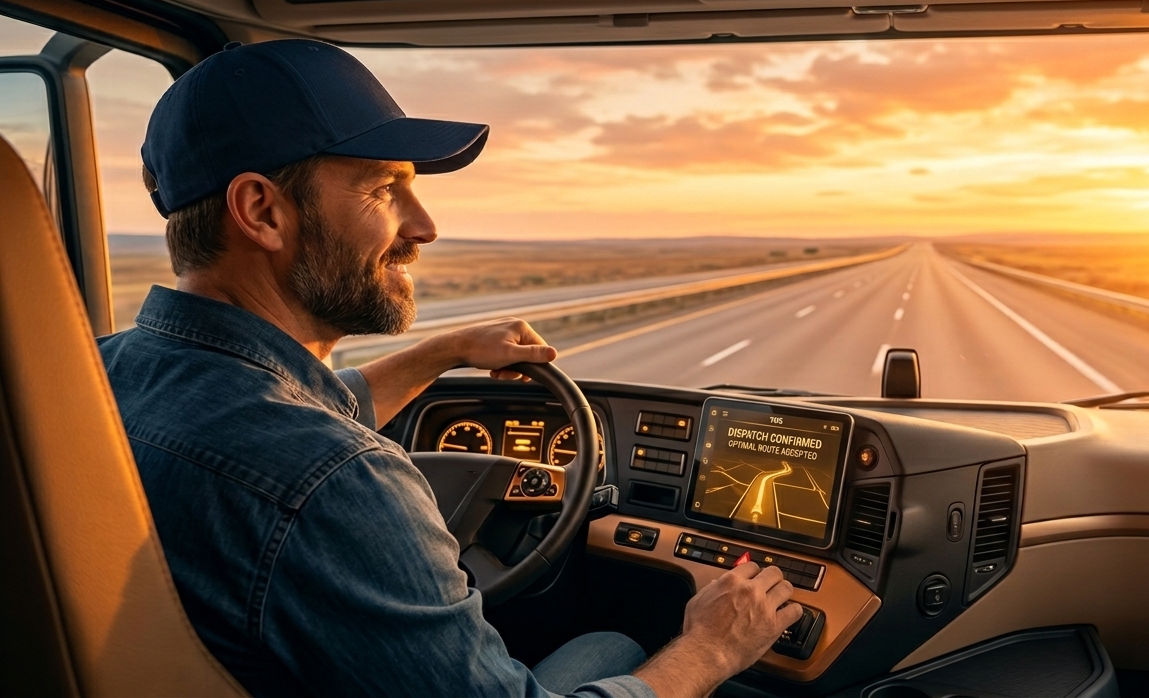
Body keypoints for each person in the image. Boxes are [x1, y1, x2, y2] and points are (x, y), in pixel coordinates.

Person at [98, 39, 802, 698]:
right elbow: (307, 465)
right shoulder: (341, 483)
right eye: (383, 189)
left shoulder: (100, 376)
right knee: (619, 645)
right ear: (262, 211)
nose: (424, 225)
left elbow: (279, 417)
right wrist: (713, 648)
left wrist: (445, 351)